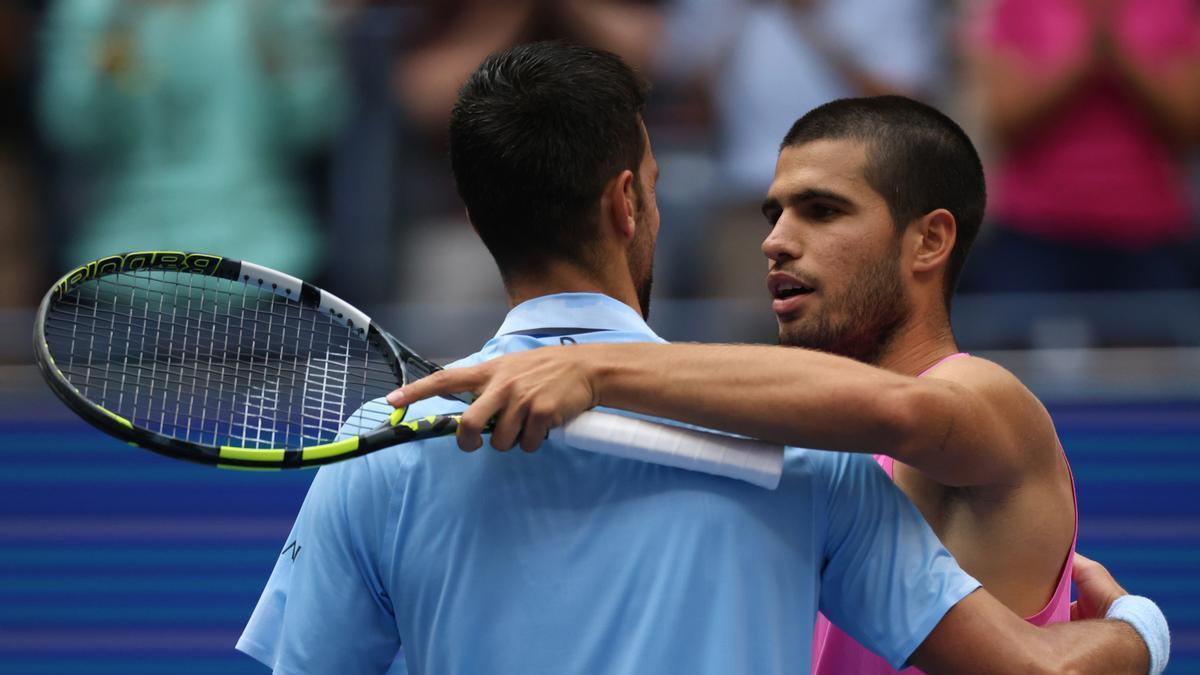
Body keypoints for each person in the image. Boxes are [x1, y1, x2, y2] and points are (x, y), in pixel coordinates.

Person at [241, 43, 1163, 674]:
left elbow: (904, 414)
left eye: (822, 210)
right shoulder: (808, 455)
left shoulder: (382, 442)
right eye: (772, 214)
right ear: (630, 204)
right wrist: (1139, 632)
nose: (777, 241)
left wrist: (596, 371)